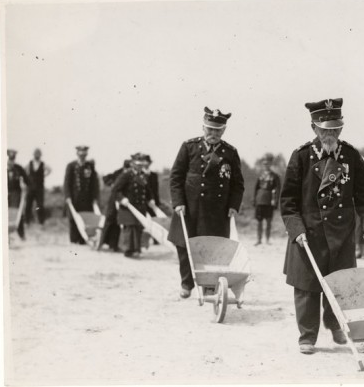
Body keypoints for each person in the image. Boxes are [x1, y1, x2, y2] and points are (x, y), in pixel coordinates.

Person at [280, 98, 364, 355]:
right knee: (307, 287)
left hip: (341, 234)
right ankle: (307, 336)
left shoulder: (352, 156)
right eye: (325, 130)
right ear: (314, 128)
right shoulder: (301, 157)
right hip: (308, 233)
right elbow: (287, 202)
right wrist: (296, 229)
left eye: (335, 129)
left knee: (339, 284)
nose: (330, 135)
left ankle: (335, 325)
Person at [168, 106, 245, 299]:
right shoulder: (189, 147)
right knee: (185, 246)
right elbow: (176, 177)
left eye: (218, 130)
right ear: (203, 128)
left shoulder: (230, 152)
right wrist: (178, 202)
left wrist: (233, 206)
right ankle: (187, 282)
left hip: (216, 212)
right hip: (189, 208)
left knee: (213, 248)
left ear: (224, 130)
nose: (213, 133)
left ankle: (209, 285)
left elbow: (238, 184)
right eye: (210, 129)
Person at [114, 153, 158, 258]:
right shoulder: (126, 175)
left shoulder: (143, 175)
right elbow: (115, 190)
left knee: (138, 228)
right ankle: (128, 250)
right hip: (128, 208)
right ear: (133, 164)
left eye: (141, 165)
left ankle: (137, 249)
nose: (140, 166)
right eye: (138, 164)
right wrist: (121, 199)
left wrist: (151, 199)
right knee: (130, 228)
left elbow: (148, 190)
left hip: (140, 207)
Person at [63, 145, 100, 244]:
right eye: (80, 154)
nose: (82, 156)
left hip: (87, 198)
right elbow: (67, 183)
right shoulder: (71, 166)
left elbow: (94, 183)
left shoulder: (90, 166)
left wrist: (95, 197)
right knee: (74, 218)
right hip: (75, 198)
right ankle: (74, 240)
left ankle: (84, 238)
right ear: (77, 154)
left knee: (87, 218)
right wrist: (67, 196)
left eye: (84, 154)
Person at [98, 159, 131, 251]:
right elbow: (105, 178)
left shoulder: (130, 174)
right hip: (113, 201)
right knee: (109, 221)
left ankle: (114, 245)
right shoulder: (118, 172)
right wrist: (112, 184)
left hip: (122, 201)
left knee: (118, 222)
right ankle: (102, 243)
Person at [253, 153, 281, 245]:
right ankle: (259, 240)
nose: (266, 165)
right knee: (259, 222)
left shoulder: (275, 176)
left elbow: (277, 189)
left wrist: (276, 202)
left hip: (269, 201)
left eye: (268, 163)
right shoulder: (260, 176)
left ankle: (267, 240)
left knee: (268, 222)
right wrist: (254, 200)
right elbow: (256, 189)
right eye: (264, 164)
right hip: (260, 200)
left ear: (270, 164)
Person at [24, 148, 52, 225]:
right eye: (36, 154)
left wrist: (44, 175)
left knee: (40, 205)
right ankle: (27, 222)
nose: (37, 156)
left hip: (39, 188)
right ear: (33, 155)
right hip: (30, 188)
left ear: (40, 155)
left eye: (38, 154)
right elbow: (24, 170)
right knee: (28, 205)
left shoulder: (43, 164)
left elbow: (50, 170)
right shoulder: (29, 163)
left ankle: (41, 222)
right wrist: (27, 178)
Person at [7, 149, 29, 239]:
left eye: (12, 160)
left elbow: (28, 181)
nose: (11, 162)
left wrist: (25, 185)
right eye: (9, 160)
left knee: (16, 214)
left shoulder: (18, 168)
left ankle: (21, 235)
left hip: (15, 194)